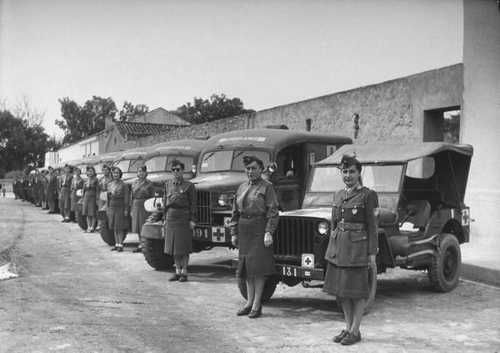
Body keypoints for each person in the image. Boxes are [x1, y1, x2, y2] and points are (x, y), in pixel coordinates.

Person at [323, 154, 378, 346]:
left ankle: (355, 330)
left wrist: (372, 253)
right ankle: (348, 327)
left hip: (357, 250)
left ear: (359, 173)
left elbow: (372, 226)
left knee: (357, 291)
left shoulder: (367, 195)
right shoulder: (338, 195)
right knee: (342, 292)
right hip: (339, 249)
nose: (348, 175)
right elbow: (334, 223)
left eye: (352, 171)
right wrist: (332, 248)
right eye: (344, 172)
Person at [230, 155, 279, 319]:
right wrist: (234, 232)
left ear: (261, 169)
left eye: (253, 168)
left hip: (259, 228)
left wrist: (268, 232)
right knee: (247, 269)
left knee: (258, 270)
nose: (250, 171)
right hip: (244, 229)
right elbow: (235, 212)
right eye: (248, 169)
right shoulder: (241, 187)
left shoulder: (267, 187)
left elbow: (273, 212)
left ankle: (257, 304)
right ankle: (249, 302)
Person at [163, 159, 196, 282]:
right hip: (171, 217)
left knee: (184, 247)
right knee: (174, 248)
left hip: (183, 217)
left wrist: (192, 219)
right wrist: (165, 218)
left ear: (182, 171)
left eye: (178, 169)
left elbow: (193, 204)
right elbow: (165, 202)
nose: (176, 172)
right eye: (173, 170)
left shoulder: (189, 185)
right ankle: (177, 271)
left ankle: (184, 272)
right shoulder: (168, 184)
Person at [130, 166, 154, 253]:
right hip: (136, 204)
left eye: (143, 171)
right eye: (139, 171)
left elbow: (152, 196)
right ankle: (140, 243)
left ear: (146, 173)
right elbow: (131, 196)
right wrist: (131, 209)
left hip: (145, 205)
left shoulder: (149, 184)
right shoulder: (134, 183)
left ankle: (144, 245)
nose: (141, 173)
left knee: (143, 225)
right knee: (137, 225)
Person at [107, 167, 129, 252]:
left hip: (120, 206)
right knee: (114, 226)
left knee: (119, 226)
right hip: (112, 206)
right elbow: (108, 197)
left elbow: (126, 198)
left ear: (120, 174)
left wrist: (126, 209)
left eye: (117, 173)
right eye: (114, 173)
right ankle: (116, 244)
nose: (115, 174)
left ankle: (121, 244)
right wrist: (108, 208)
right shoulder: (110, 184)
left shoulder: (124, 185)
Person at [82, 166, 99, 232]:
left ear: (94, 172)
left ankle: (92, 226)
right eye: (89, 171)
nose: (90, 173)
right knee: (87, 212)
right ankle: (88, 226)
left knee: (92, 212)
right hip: (86, 196)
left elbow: (97, 189)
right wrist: (83, 197)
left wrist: (97, 198)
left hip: (93, 196)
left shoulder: (96, 179)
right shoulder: (86, 180)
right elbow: (84, 189)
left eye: (91, 171)